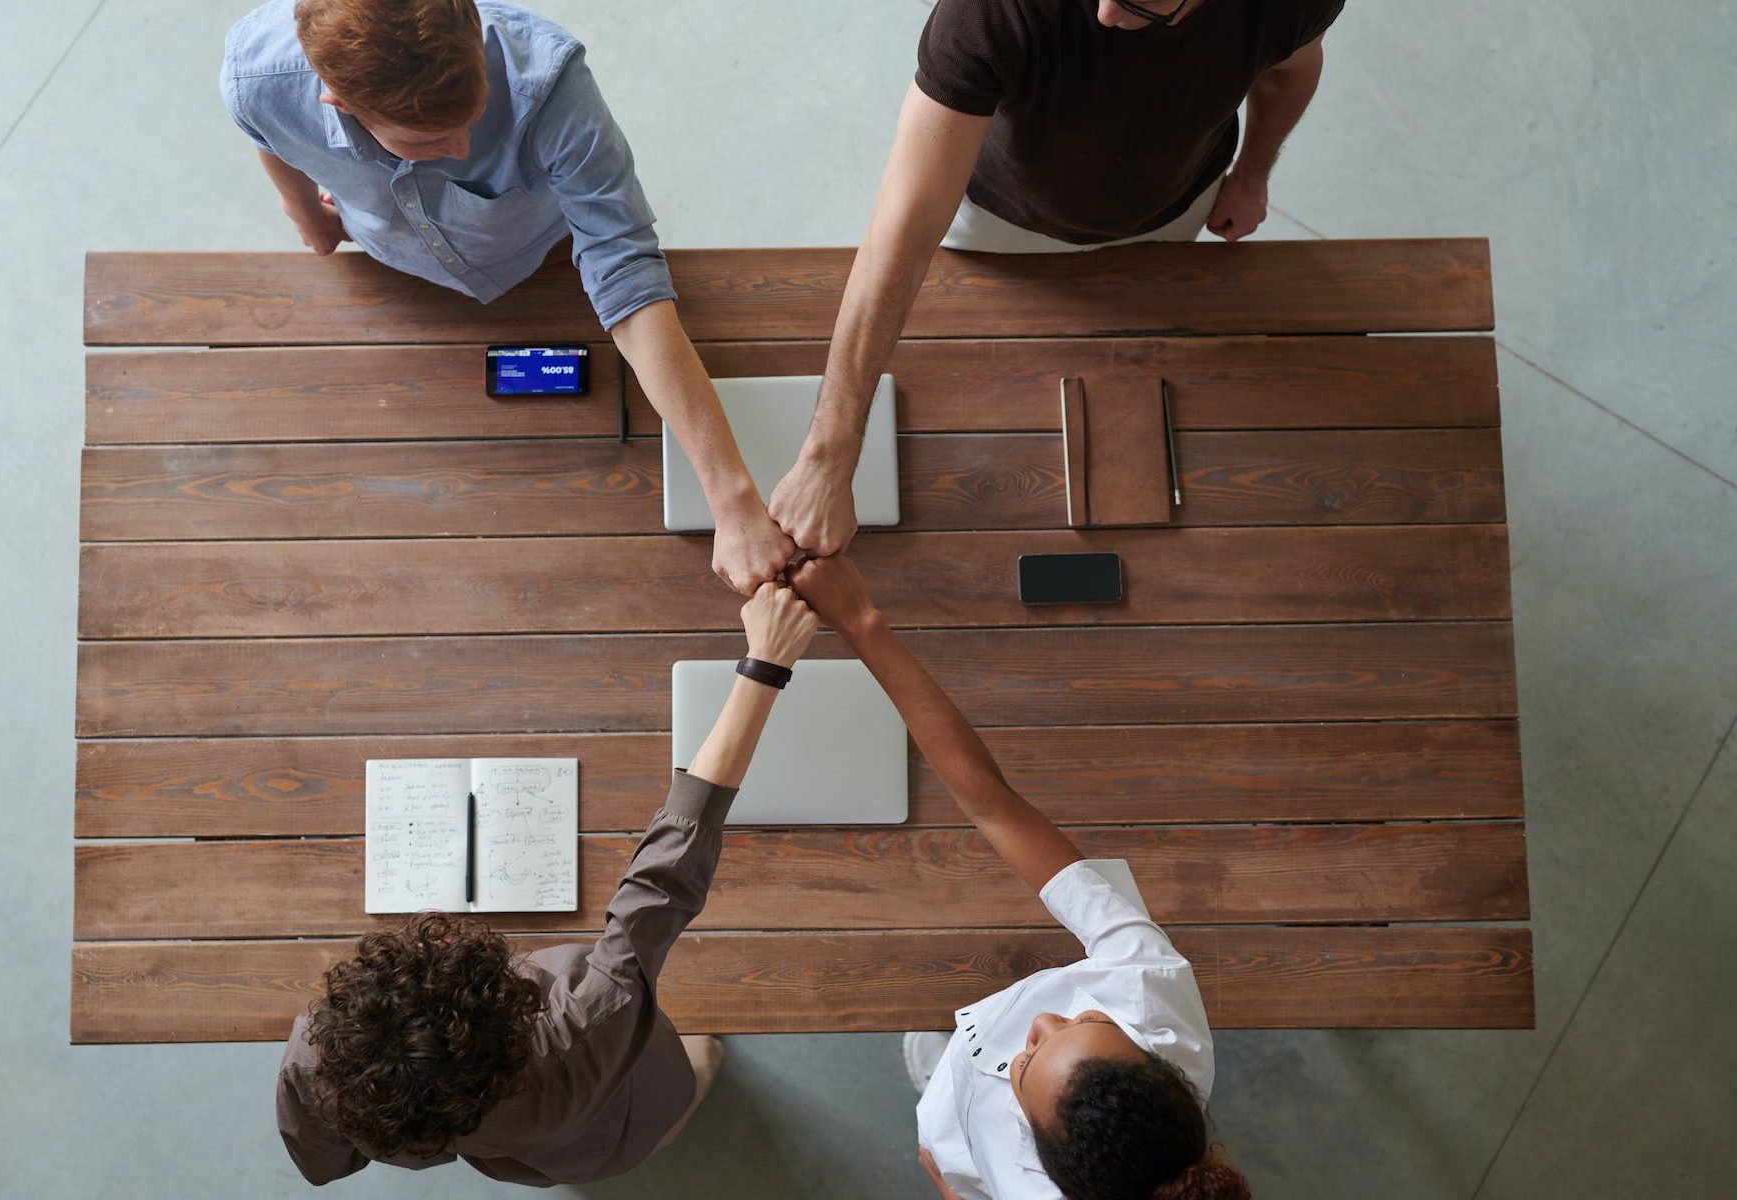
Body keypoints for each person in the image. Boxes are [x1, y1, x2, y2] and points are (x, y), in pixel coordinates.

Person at [221, 0, 794, 592]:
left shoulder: (550, 84)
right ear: (338, 101)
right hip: (391, 268)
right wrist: (302, 213)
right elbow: (266, 129)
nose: (466, 148)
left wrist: (732, 503)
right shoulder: (254, 77)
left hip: (536, 251)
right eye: (432, 139)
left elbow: (623, 267)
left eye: (475, 114)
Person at [274, 582, 820, 1185]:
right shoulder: (578, 1031)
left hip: (553, 1154)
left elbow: (321, 1164)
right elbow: (665, 875)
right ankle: (705, 1066)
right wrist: (764, 664)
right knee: (692, 1068)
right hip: (624, 1117)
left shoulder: (320, 1056)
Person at [768, 0, 1345, 558]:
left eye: (1141, 5)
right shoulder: (989, 11)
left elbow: (1292, 67)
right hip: (996, 219)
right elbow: (905, 229)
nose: (1106, 15)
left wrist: (1252, 174)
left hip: (1174, 208)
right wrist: (827, 457)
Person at [788, 554, 1246, 1200]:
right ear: (1155, 1059)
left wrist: (950, 1188)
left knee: (938, 1084)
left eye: (1029, 1059)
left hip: (953, 1133)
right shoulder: (1149, 991)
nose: (1045, 1021)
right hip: (970, 1091)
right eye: (1086, 1019)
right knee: (950, 1053)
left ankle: (942, 1079)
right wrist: (862, 623)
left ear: (1041, 1161)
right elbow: (991, 803)